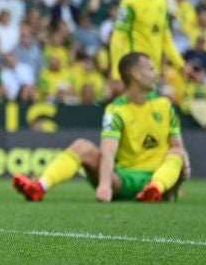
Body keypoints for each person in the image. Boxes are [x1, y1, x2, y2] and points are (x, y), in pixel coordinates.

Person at [12, 52, 190, 203]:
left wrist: (179, 176)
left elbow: (177, 146)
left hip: (157, 176)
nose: (156, 73)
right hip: (123, 180)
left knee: (178, 153)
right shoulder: (116, 110)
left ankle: (156, 189)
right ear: (136, 74)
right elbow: (108, 151)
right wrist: (105, 185)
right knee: (82, 146)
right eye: (151, 69)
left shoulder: (165, 105)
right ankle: (39, 186)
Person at [108, 0, 188, 88]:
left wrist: (181, 65)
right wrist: (116, 73)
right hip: (134, 72)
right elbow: (117, 38)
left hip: (153, 73)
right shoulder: (129, 2)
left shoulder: (162, 2)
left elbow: (166, 40)